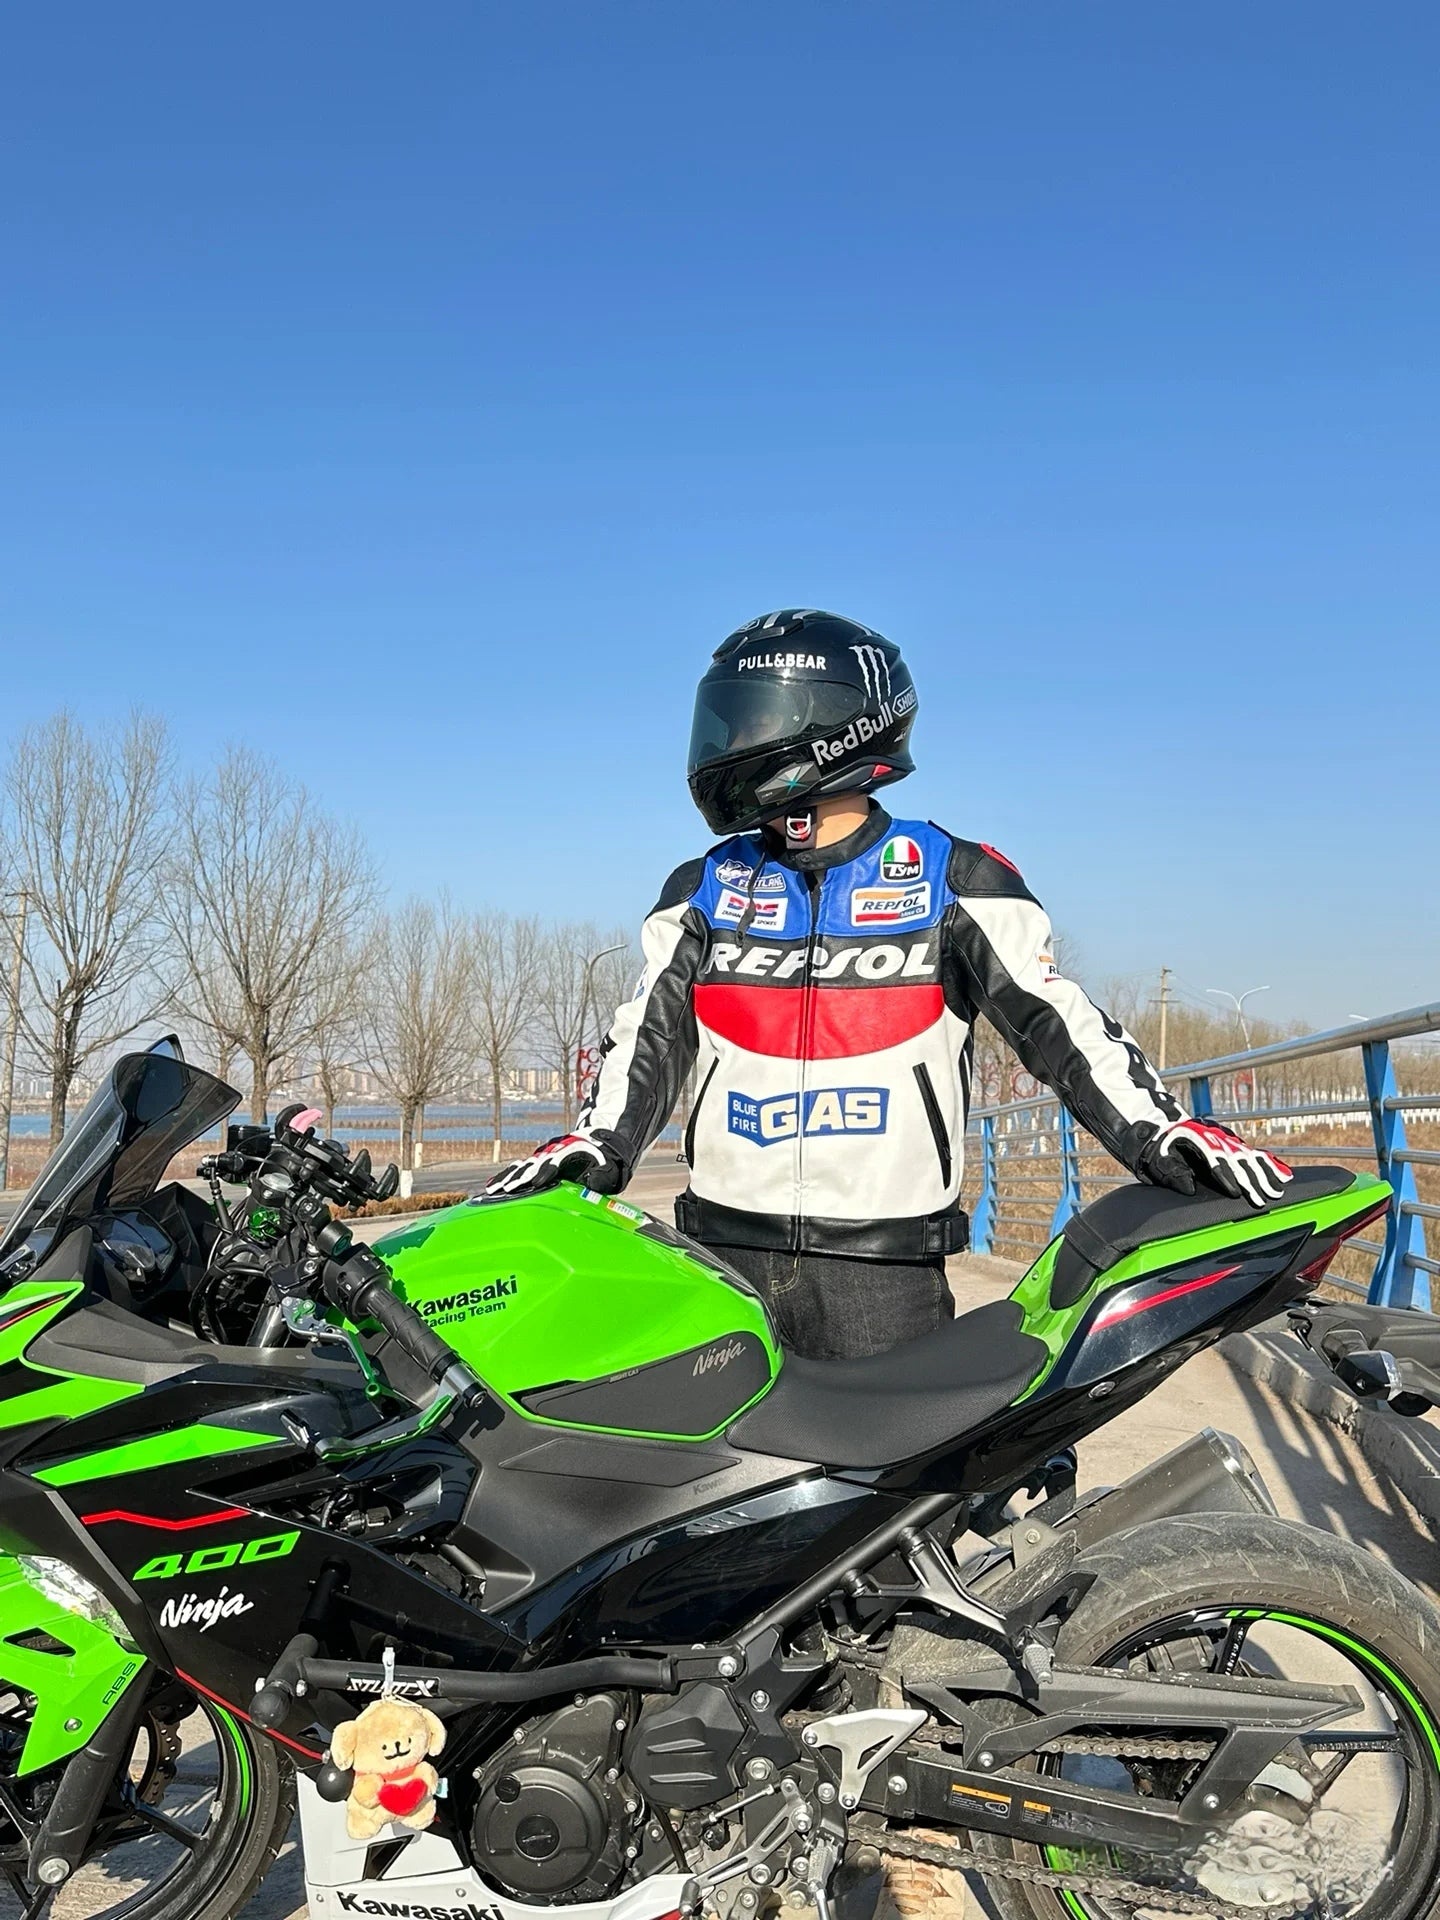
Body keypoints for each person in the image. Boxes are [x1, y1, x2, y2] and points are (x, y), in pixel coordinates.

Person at [489, 609, 1291, 1361]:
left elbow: (1059, 1025)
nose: (729, 741)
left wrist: (1160, 1132)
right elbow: (647, 1040)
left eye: (750, 718)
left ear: (832, 722)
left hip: (885, 1270)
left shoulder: (954, 875)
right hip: (717, 1255)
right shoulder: (702, 886)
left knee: (911, 1503)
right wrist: (595, 1143)